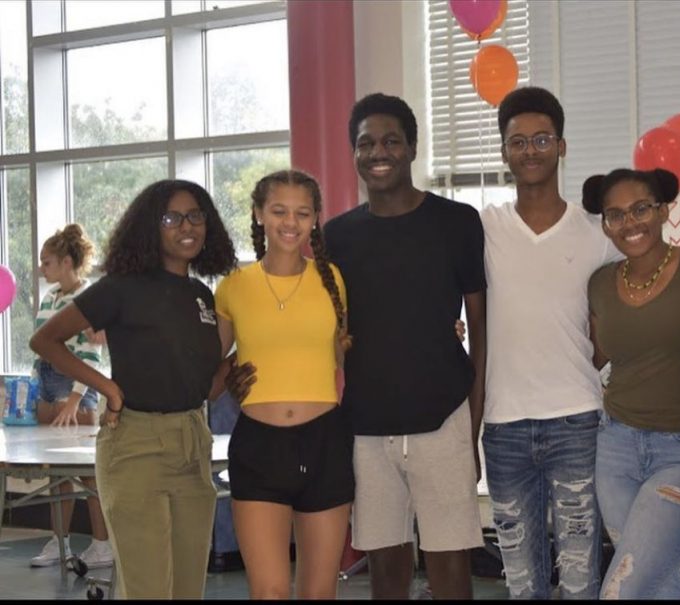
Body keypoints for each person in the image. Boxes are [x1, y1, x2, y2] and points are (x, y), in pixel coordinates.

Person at [228, 94, 487, 599]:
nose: (378, 151)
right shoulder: (337, 239)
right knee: (385, 570)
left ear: (412, 147)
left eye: (391, 140)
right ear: (354, 154)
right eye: (366, 143)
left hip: (443, 419)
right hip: (365, 430)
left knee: (451, 574)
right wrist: (241, 371)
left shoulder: (457, 222)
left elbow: (479, 325)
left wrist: (473, 426)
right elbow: (305, 323)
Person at [30, 180, 237, 599]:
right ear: (150, 227)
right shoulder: (123, 287)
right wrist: (109, 388)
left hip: (193, 444)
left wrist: (238, 362)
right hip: (136, 445)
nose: (187, 226)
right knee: (148, 589)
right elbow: (45, 341)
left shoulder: (200, 295)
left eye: (196, 215)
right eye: (171, 217)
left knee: (186, 590)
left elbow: (204, 387)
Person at [479, 86, 621, 600]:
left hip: (577, 424)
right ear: (504, 152)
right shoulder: (485, 227)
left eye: (542, 139)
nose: (530, 150)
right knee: (522, 585)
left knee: (582, 582)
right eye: (518, 141)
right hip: (504, 428)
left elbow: (627, 306)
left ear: (562, 147)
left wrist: (593, 353)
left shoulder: (598, 232)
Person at [582, 168, 680, 599]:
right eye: (615, 215)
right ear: (605, 224)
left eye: (640, 209)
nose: (630, 223)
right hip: (615, 449)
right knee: (656, 577)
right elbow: (594, 356)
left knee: (623, 586)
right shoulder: (600, 284)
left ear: (664, 210)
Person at [213, 169, 354, 599]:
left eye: (302, 213)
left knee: (318, 593)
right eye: (278, 211)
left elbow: (342, 356)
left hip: (325, 445)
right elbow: (210, 380)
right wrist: (232, 371)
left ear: (315, 219)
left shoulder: (333, 280)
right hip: (258, 449)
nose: (290, 222)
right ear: (258, 214)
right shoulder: (234, 286)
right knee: (270, 592)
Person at [29, 224, 113, 570]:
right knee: (56, 471)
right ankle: (59, 541)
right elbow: (41, 344)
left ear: (66, 262)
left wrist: (78, 398)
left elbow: (90, 355)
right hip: (48, 381)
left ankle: (101, 544)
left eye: (46, 262)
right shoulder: (50, 298)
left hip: (74, 383)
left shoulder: (87, 298)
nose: (40, 269)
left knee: (88, 472)